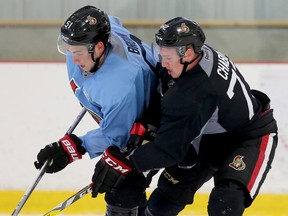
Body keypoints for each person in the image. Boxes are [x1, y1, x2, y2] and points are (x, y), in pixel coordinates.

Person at [91, 17, 278, 216]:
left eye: (168, 57)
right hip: (205, 134)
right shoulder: (193, 60)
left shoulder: (195, 92)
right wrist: (139, 137)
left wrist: (127, 161)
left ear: (187, 53)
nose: (163, 62)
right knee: (165, 199)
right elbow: (162, 107)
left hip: (248, 137)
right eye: (161, 53)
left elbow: (169, 150)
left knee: (226, 204)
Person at [34, 5, 159, 215]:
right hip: (128, 110)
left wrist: (74, 147)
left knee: (122, 188)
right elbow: (113, 21)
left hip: (155, 124)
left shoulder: (120, 87)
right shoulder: (93, 42)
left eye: (79, 52)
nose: (73, 59)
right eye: (69, 50)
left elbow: (116, 137)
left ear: (100, 47)